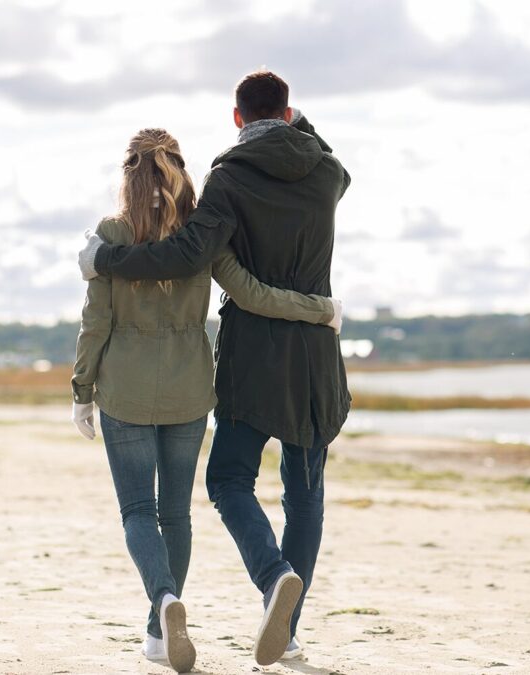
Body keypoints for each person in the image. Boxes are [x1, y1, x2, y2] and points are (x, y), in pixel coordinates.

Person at [77, 70, 351, 666]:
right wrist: (319, 308)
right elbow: (325, 156)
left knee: (228, 481)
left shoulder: (229, 177)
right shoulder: (329, 174)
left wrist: (106, 258)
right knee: (305, 497)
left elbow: (188, 254)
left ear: (235, 118)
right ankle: (290, 627)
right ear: (289, 114)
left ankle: (265, 577)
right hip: (315, 357)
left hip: (252, 355)